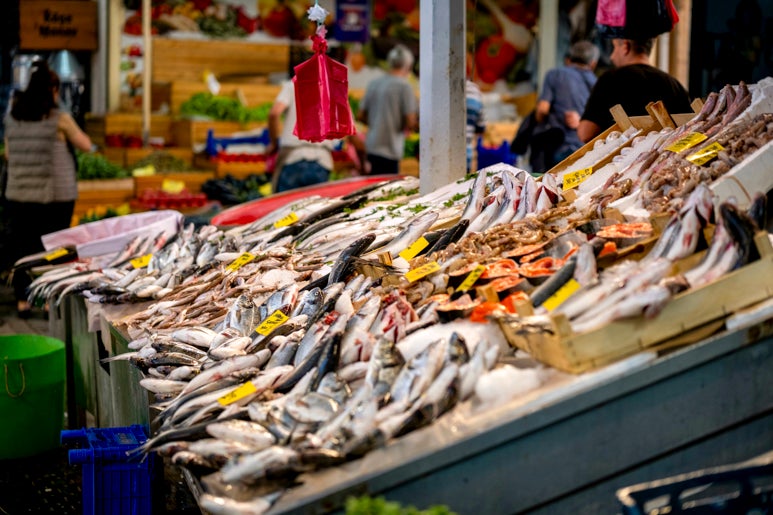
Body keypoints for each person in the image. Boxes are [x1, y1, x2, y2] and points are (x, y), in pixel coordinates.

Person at [3, 61, 92, 317]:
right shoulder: (59, 119)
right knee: (54, 247)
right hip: (54, 196)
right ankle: (49, 299)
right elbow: (85, 145)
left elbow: (8, 154)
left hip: (19, 193)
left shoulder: (12, 117)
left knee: (23, 248)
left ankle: (23, 300)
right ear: (53, 89)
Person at [578, 37, 692, 143]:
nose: (612, 56)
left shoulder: (611, 79)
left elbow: (585, 133)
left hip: (619, 162)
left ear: (625, 47)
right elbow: (690, 129)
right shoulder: (674, 84)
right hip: (665, 161)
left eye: (615, 47)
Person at [532, 40, 599, 171]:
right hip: (585, 152)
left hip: (558, 150)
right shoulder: (597, 82)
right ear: (593, 63)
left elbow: (542, 109)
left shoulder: (555, 75)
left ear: (569, 59)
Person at [267, 78, 338, 193]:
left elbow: (274, 113)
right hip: (322, 161)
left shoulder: (293, 85)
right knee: (316, 209)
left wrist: (274, 143)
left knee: (287, 208)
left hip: (293, 158)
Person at [357, 44, 418, 175]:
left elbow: (360, 115)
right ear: (408, 66)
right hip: (391, 150)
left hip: (372, 146)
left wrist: (376, 123)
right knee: (387, 190)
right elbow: (410, 122)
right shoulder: (404, 87)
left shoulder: (374, 83)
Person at [465, 79, 486, 173]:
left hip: (439, 158)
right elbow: (481, 128)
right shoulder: (475, 90)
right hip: (466, 156)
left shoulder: (439, 87)